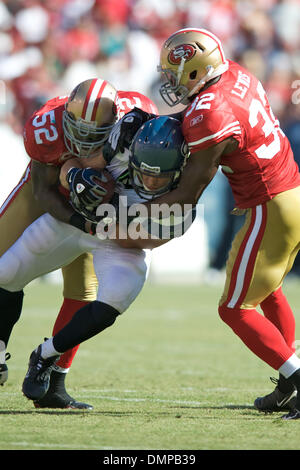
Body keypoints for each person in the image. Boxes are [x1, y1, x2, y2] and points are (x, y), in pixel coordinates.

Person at [101, 28, 300, 420]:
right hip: (288, 194)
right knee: (268, 290)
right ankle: (287, 381)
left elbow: (190, 190)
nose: (171, 81)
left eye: (177, 73)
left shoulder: (211, 113)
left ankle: (295, 376)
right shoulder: (234, 75)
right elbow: (204, 115)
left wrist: (134, 208)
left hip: (271, 205)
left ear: (196, 70)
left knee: (234, 309)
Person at [1, 116, 194, 404]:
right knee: (6, 273)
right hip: (72, 223)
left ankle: (46, 355)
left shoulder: (187, 195)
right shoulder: (120, 143)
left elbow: (145, 240)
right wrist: (79, 180)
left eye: (160, 177)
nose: (151, 182)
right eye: (145, 173)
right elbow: (68, 165)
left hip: (120, 240)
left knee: (117, 296)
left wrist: (111, 213)